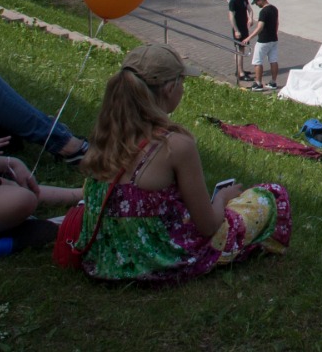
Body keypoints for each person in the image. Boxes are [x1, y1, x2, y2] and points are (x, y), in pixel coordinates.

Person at [73, 45, 289, 282]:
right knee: (272, 196)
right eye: (182, 82)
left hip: (106, 260)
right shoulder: (175, 145)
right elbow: (207, 226)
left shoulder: (106, 136)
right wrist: (221, 198)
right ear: (169, 88)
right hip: (162, 261)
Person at [243, 0, 280, 91]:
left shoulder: (263, 12)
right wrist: (274, 33)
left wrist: (249, 37)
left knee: (257, 61)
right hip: (274, 39)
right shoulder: (274, 9)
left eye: (257, 2)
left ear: (261, 0)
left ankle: (258, 84)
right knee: (273, 60)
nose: (257, 5)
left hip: (263, 40)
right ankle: (273, 82)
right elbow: (277, 23)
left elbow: (260, 27)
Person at [227, 0, 252, 84]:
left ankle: (240, 69)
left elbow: (249, 9)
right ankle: (240, 72)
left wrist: (250, 18)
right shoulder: (233, 1)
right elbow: (231, 16)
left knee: (242, 48)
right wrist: (236, 30)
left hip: (244, 27)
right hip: (238, 28)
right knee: (239, 50)